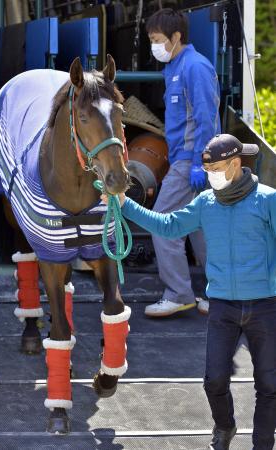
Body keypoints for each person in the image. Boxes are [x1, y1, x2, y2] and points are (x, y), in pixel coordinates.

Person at [101, 134, 276, 450]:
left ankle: (263, 443)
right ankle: (225, 426)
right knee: (214, 382)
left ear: (236, 164)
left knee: (269, 384)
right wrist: (124, 204)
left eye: (217, 168)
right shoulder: (205, 204)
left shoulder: (267, 200)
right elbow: (168, 225)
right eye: (208, 169)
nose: (211, 176)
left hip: (266, 306)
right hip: (223, 306)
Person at [145, 8, 221, 317]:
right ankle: (221, 294)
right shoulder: (175, 66)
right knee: (199, 227)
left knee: (163, 222)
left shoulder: (195, 68)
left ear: (177, 37)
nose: (155, 46)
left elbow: (206, 119)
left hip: (191, 160)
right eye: (151, 40)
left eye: (159, 39)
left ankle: (179, 294)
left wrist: (200, 163)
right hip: (183, 159)